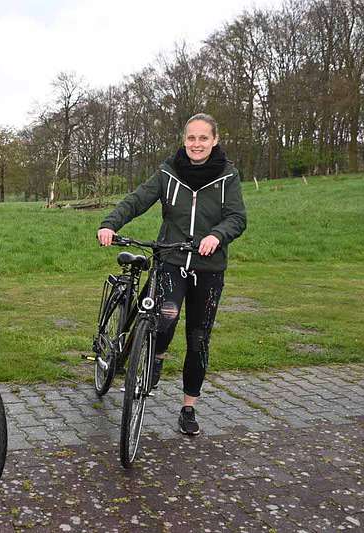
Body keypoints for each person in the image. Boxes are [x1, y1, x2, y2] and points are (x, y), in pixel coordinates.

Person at [97, 113, 246, 436]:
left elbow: (237, 217)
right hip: (172, 259)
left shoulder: (228, 177)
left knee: (198, 339)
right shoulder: (169, 172)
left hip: (209, 268)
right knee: (165, 317)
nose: (196, 144)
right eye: (191, 138)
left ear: (215, 140)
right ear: (184, 140)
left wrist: (217, 235)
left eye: (203, 138)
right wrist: (110, 223)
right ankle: (155, 355)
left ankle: (188, 406)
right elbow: (138, 200)